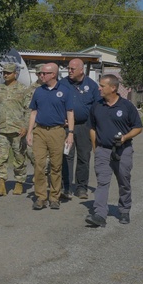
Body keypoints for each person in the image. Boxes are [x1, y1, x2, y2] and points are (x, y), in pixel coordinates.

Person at [86, 74, 143, 227]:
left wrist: (125, 137)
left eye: (102, 86)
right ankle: (99, 215)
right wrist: (95, 148)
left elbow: (138, 127)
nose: (99, 88)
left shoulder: (126, 106)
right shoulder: (97, 105)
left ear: (113, 88)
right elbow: (92, 128)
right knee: (102, 182)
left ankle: (124, 210)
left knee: (124, 181)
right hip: (103, 150)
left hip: (123, 150)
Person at [26, 62, 74, 210]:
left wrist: (70, 133)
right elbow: (33, 112)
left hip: (57, 131)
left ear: (53, 74)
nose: (41, 75)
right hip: (39, 131)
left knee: (56, 165)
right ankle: (41, 197)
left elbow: (70, 113)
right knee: (39, 165)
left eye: (44, 73)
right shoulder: (38, 91)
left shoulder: (65, 91)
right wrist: (29, 132)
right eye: (41, 73)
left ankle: (54, 196)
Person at [0, 62, 31, 196]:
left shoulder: (24, 90)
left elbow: (28, 110)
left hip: (18, 131)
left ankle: (19, 182)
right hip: (1, 130)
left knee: (19, 158)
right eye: (4, 73)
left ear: (15, 74)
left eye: (8, 73)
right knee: (0, 158)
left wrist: (25, 126)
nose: (5, 75)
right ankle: (1, 185)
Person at [62, 58, 101, 200]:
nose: (69, 71)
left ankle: (81, 187)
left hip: (85, 126)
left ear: (81, 70)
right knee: (67, 156)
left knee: (84, 157)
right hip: (67, 127)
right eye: (68, 68)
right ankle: (65, 187)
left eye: (73, 69)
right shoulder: (62, 84)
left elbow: (98, 106)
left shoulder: (91, 85)